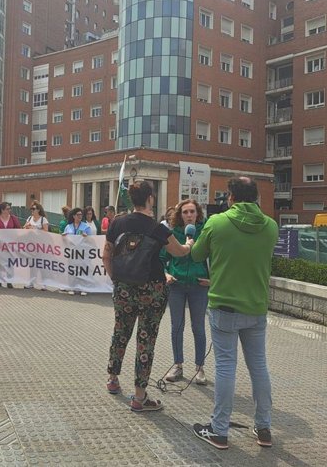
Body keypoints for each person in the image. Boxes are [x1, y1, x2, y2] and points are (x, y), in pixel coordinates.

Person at [191, 177, 278, 450]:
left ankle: (219, 430)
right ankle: (263, 428)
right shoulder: (271, 226)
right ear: (257, 198)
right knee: (259, 367)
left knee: (226, 367)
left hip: (224, 306)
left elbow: (195, 255)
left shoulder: (217, 223)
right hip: (256, 306)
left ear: (230, 197)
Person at [102, 181, 193, 412]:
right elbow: (179, 252)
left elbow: (106, 255)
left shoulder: (117, 222)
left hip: (123, 289)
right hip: (151, 290)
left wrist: (116, 280)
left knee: (120, 332)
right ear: (150, 198)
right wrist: (190, 244)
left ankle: (113, 379)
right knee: (146, 341)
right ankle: (139, 396)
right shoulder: (158, 229)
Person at [161, 199, 210, 385]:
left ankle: (200, 368)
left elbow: (216, 259)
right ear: (179, 215)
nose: (189, 215)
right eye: (185, 212)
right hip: (177, 285)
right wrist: (165, 274)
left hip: (199, 285)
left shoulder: (206, 233)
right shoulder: (172, 234)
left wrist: (212, 280)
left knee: (198, 327)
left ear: (198, 213)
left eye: (192, 211)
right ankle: (177, 365)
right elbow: (160, 259)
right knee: (177, 327)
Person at [0, 202, 20, 288]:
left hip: (10, 245)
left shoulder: (13, 218)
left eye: (10, 209)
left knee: (10, 262)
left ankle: (9, 280)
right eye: (7, 209)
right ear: (2, 210)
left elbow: (18, 229)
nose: (9, 210)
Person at [24, 202, 49, 289]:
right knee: (32, 264)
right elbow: (24, 228)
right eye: (31, 209)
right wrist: (26, 226)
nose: (32, 210)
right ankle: (31, 282)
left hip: (41, 245)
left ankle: (43, 283)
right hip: (31, 244)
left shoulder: (43, 219)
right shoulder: (29, 218)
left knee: (41, 264)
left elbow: (46, 231)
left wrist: (34, 228)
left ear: (38, 210)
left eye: (34, 209)